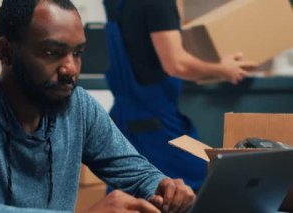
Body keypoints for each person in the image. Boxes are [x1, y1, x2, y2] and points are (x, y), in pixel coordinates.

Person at [0, 0, 195, 212]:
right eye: (52, 53)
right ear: (6, 53)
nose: (70, 69)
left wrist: (164, 187)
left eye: (77, 53)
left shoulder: (79, 107)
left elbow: (137, 173)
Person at [103, 0, 256, 192]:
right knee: (210, 182)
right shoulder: (160, 4)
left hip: (125, 121)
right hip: (156, 124)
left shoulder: (116, 3)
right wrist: (223, 69)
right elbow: (176, 64)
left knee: (130, 191)